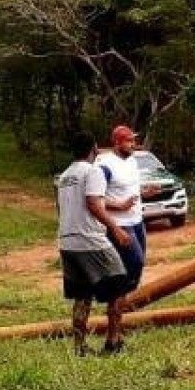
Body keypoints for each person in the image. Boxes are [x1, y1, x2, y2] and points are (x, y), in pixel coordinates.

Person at [56, 130, 135, 355]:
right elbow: (93, 203)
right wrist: (116, 228)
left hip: (67, 242)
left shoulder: (65, 176)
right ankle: (113, 341)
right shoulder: (93, 171)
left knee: (82, 295)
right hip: (91, 240)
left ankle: (80, 347)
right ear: (93, 149)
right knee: (120, 285)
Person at [96, 124, 147, 294]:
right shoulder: (105, 165)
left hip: (137, 220)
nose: (133, 144)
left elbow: (129, 190)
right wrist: (118, 206)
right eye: (129, 141)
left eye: (134, 140)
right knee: (135, 261)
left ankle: (127, 300)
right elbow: (93, 198)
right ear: (117, 143)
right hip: (119, 223)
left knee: (138, 263)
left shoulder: (132, 161)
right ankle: (119, 299)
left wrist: (144, 192)